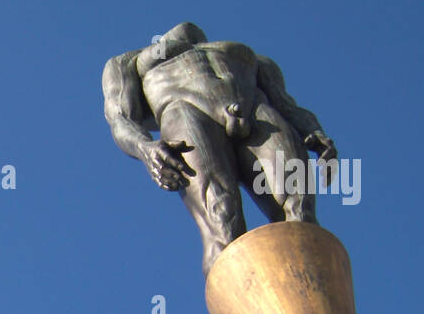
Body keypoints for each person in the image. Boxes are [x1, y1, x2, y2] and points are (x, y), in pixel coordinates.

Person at [103, 22, 337, 275]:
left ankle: (308, 303)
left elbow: (287, 104)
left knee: (300, 212)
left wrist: (313, 130)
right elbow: (120, 118)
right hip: (184, 111)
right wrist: (144, 147)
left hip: (256, 110)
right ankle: (245, 307)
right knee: (223, 218)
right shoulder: (128, 62)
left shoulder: (254, 59)